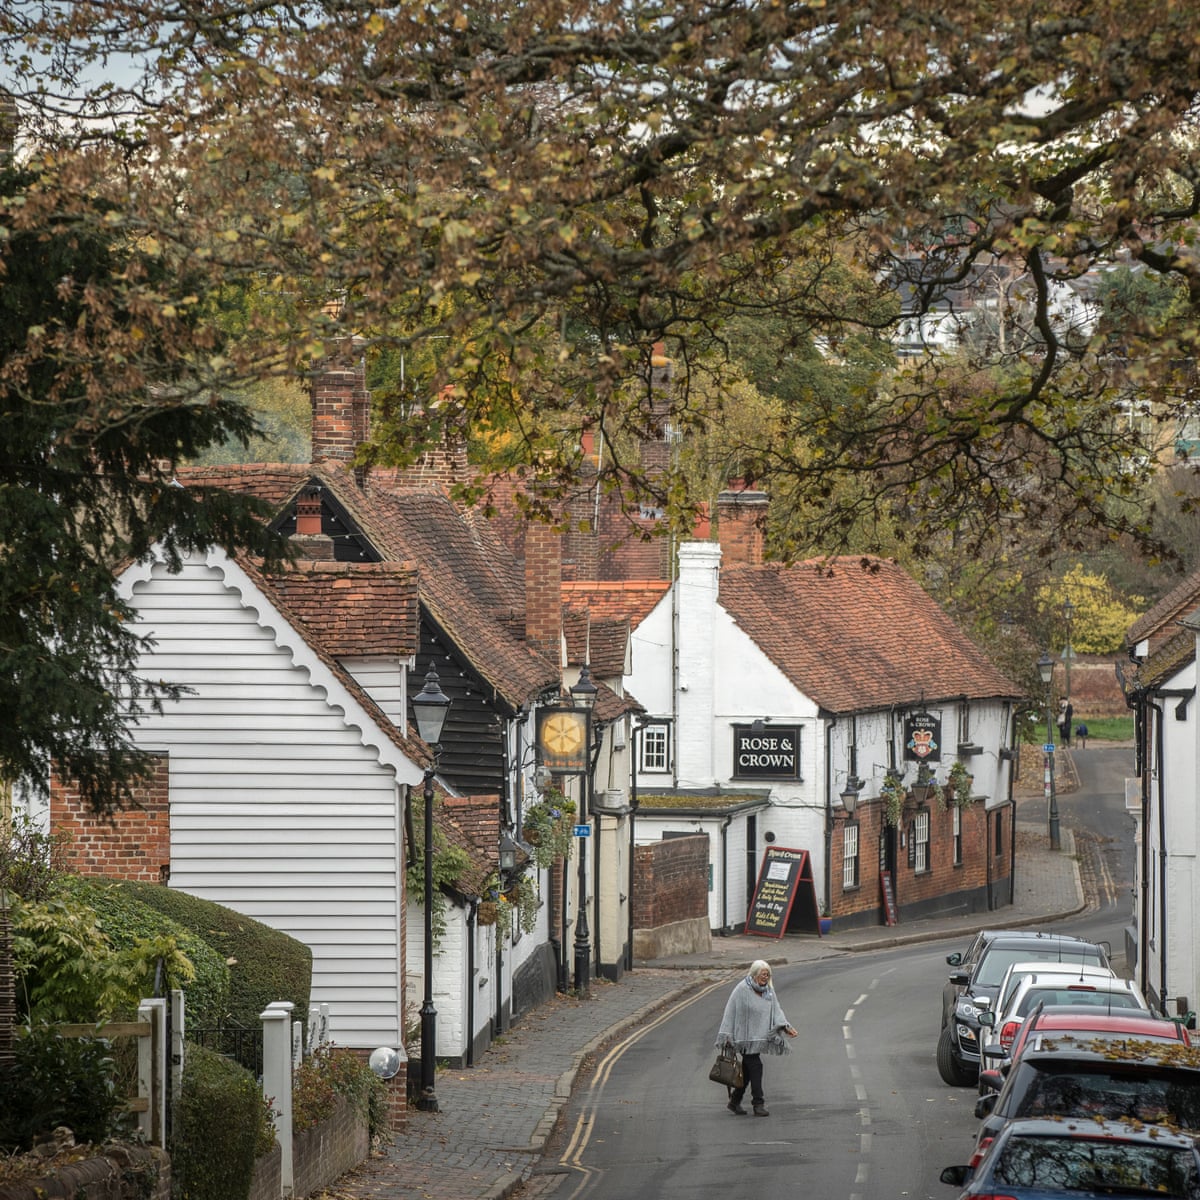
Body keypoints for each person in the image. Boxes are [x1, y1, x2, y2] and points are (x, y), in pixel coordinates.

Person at [715, 960, 797, 1117]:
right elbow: (730, 1011)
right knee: (756, 1066)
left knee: (747, 1071)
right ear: (754, 974)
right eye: (763, 974)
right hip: (744, 1038)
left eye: (768, 974)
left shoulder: (768, 992)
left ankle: (734, 1101)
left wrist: (786, 1027)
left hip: (758, 1038)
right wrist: (727, 1034)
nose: (765, 977)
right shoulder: (742, 989)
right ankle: (758, 1104)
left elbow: (776, 1010)